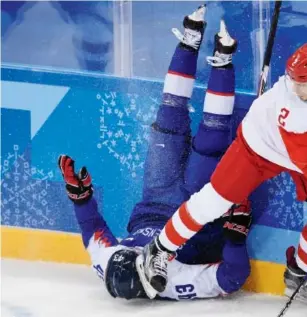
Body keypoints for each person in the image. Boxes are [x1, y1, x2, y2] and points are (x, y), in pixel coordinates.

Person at [142, 38, 307, 306]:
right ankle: (159, 250)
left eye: (302, 83)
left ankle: (299, 276)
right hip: (260, 146)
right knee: (215, 201)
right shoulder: (291, 106)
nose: (293, 87)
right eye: (292, 80)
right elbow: (306, 160)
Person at [57, 5, 251, 301]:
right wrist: (235, 240)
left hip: (156, 195)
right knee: (212, 135)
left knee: (170, 115)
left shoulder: (108, 263)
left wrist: (81, 199)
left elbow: (91, 229)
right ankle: (224, 59)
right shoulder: (171, 282)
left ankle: (190, 39)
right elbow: (231, 278)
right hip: (194, 208)